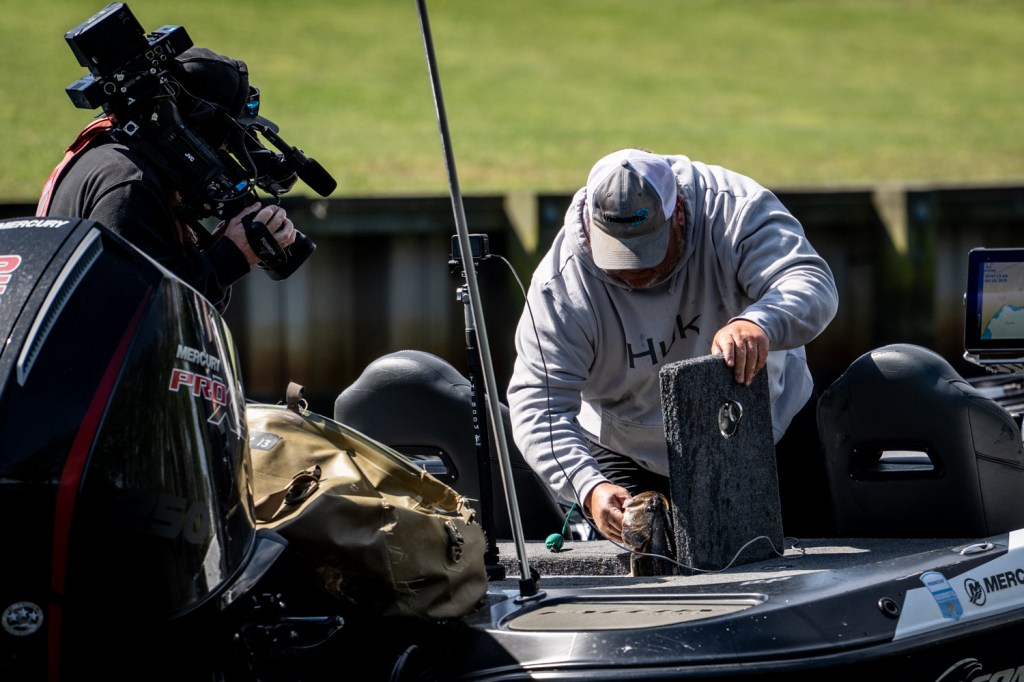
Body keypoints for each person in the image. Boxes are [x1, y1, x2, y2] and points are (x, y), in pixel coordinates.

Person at [507, 148, 839, 543]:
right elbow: (538, 404)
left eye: (646, 250)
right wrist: (588, 485)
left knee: (813, 558)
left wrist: (759, 322)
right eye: (617, 252)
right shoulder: (560, 288)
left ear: (678, 211)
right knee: (649, 575)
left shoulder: (736, 209)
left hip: (769, 425)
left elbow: (811, 282)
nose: (632, 269)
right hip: (629, 449)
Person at [37, 47, 296, 313]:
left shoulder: (115, 160)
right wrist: (230, 257)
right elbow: (137, 311)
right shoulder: (130, 183)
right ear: (197, 135)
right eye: (227, 143)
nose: (227, 155)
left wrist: (215, 251)